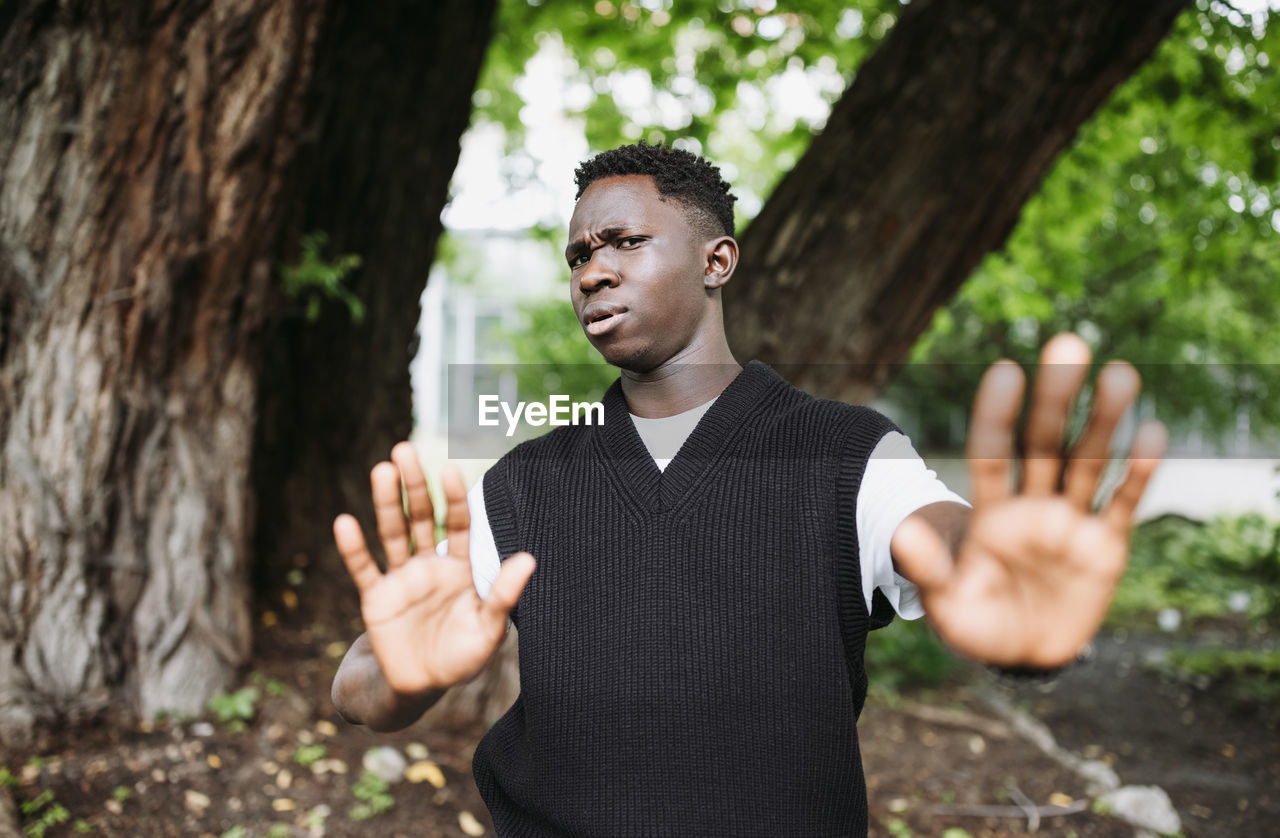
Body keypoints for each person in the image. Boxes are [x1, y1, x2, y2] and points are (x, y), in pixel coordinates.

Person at [330, 143, 1167, 836]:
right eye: (580, 255)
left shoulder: (847, 456)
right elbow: (363, 684)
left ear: (716, 259)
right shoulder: (525, 484)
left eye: (623, 241)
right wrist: (398, 679)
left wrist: (1002, 579)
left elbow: (945, 540)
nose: (592, 272)